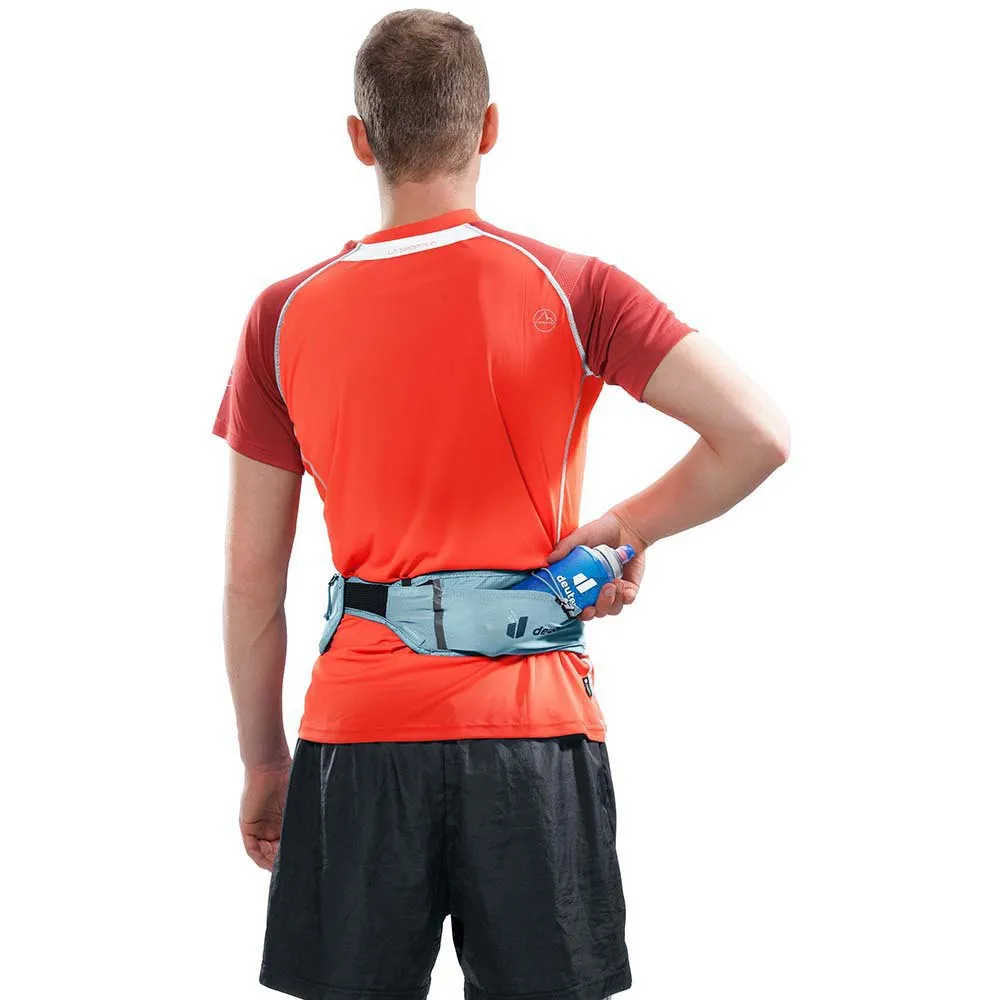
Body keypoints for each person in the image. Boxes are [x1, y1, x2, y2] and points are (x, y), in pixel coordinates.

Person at [213, 9, 789, 1000]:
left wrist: (267, 764)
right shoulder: (574, 286)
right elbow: (757, 435)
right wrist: (623, 530)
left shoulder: (282, 315)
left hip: (358, 735)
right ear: (487, 128)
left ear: (359, 139)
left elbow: (249, 587)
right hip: (533, 736)